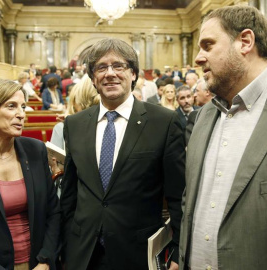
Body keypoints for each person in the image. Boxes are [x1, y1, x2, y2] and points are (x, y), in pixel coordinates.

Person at [60, 38, 186, 270]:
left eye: (118, 66)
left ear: (134, 74)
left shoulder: (163, 122)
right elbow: (69, 195)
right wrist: (66, 245)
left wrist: (178, 250)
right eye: (101, 67)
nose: (110, 73)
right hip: (83, 254)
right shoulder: (74, 124)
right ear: (92, 78)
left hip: (137, 253)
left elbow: (178, 196)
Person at [179, 5, 267, 270]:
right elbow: (189, 199)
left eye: (207, 45)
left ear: (245, 42)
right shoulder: (203, 117)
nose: (198, 58)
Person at [0, 78, 60, 270]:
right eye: (11, 106)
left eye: (23, 107)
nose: (21, 114)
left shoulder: (35, 150)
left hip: (36, 262)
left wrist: (45, 260)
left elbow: (53, 211)